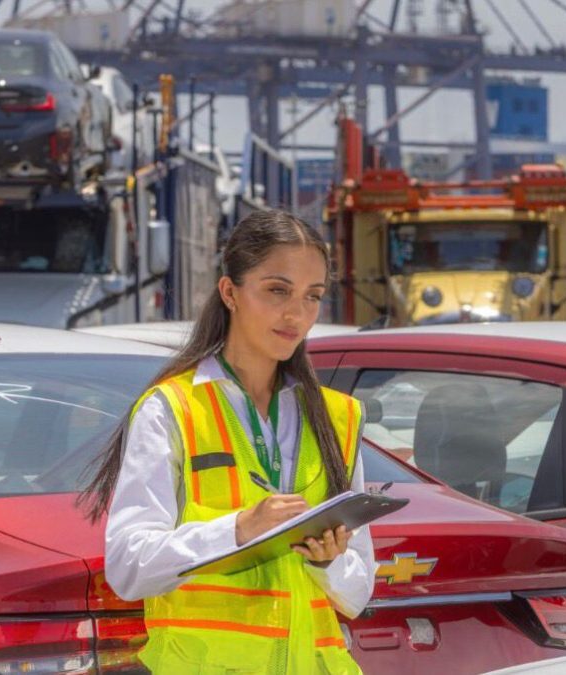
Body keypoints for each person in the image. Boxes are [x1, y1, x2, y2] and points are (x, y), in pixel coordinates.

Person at [84, 210, 377, 674]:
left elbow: (358, 596)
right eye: (277, 290)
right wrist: (238, 530)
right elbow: (128, 568)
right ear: (229, 292)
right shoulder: (172, 408)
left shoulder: (339, 418)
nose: (296, 314)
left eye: (313, 296)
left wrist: (328, 564)